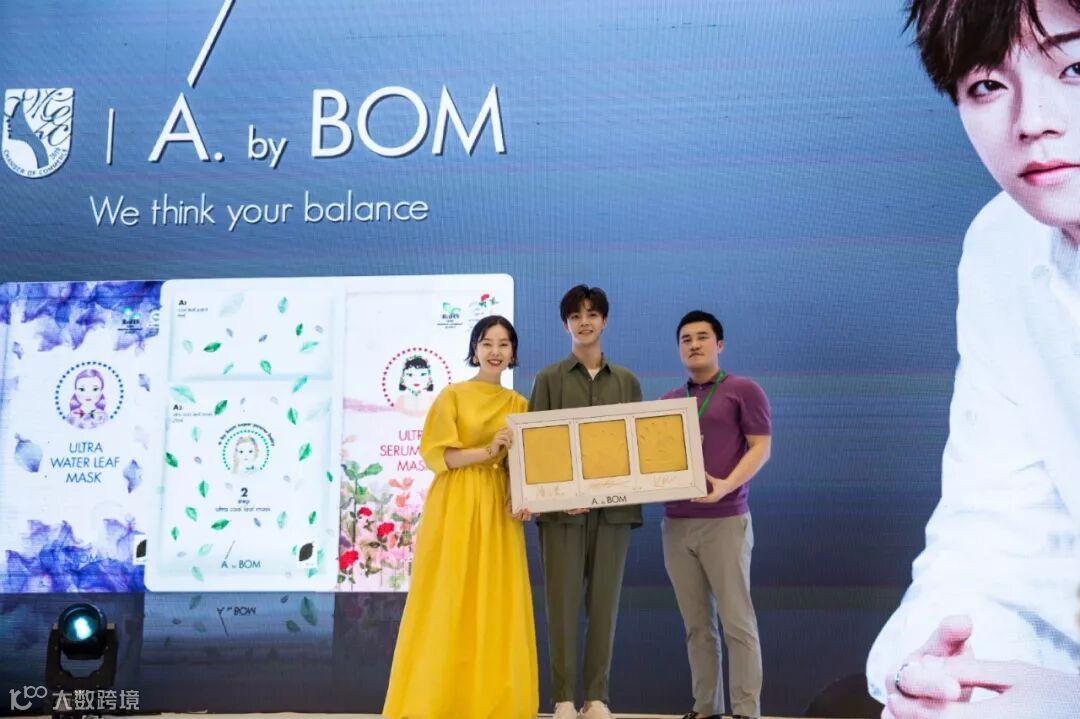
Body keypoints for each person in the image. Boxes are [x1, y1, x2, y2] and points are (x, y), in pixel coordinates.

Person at [867, 1, 1080, 717]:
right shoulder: (1003, 244)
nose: (1032, 121)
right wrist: (934, 670)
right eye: (987, 85)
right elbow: (993, 528)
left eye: (1076, 68)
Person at [382, 315, 538, 719]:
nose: (495, 351)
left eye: (503, 344)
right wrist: (488, 450)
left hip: (497, 508)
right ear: (474, 349)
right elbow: (440, 456)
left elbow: (521, 467)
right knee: (447, 594)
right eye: (487, 343)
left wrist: (521, 497)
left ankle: (491, 704)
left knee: (495, 597)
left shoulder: (519, 405)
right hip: (454, 503)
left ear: (513, 353)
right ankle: (436, 701)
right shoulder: (451, 396)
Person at [529, 285, 643, 719]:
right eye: (575, 316)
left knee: (604, 606)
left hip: (614, 512)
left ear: (605, 321)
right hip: (562, 515)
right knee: (560, 606)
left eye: (592, 314)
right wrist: (559, 499)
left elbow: (636, 448)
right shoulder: (549, 379)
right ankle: (562, 698)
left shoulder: (628, 381)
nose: (584, 322)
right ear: (566, 325)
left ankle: (597, 697)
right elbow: (537, 448)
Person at [658, 310, 771, 719]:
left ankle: (745, 711)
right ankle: (705, 707)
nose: (694, 344)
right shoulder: (668, 402)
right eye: (686, 339)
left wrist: (726, 485)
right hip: (676, 524)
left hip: (726, 520)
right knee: (697, 626)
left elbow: (761, 447)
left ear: (719, 344)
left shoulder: (744, 390)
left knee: (737, 622)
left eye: (702, 337)